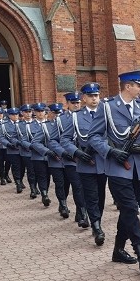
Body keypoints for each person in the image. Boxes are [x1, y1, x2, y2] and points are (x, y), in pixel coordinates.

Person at [88, 71, 140, 273]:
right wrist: (111, 151)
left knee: (127, 210)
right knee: (130, 208)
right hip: (117, 167)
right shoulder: (108, 107)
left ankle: (118, 250)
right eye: (139, 85)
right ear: (128, 86)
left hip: (137, 167)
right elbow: (93, 137)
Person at [61, 83, 107, 245]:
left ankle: (98, 220)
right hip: (85, 163)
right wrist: (76, 152)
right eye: (91, 96)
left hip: (102, 161)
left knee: (101, 196)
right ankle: (96, 227)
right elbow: (65, 139)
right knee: (91, 196)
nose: (94, 98)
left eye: (97, 95)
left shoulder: (106, 113)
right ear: (84, 98)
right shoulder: (76, 116)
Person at [57, 92, 89, 229]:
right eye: (73, 103)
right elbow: (54, 140)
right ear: (68, 104)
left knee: (85, 187)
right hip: (71, 159)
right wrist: (65, 153)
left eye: (78, 102)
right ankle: (82, 214)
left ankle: (80, 212)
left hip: (86, 158)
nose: (76, 105)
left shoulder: (86, 116)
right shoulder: (61, 119)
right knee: (77, 186)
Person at [32, 103, 69, 218]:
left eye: (60, 112)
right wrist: (47, 151)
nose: (58, 115)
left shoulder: (68, 124)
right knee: (59, 182)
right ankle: (62, 205)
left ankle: (64, 201)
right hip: (54, 160)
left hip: (69, 160)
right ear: (50, 113)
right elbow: (35, 142)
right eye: (55, 113)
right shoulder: (46, 126)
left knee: (67, 184)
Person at [28, 103, 52, 207]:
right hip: (37, 155)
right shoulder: (29, 126)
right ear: (35, 113)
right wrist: (33, 147)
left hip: (50, 155)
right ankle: (44, 194)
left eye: (42, 111)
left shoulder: (51, 124)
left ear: (45, 112)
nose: (40, 113)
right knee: (41, 175)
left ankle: (44, 190)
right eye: (38, 111)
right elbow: (26, 140)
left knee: (47, 176)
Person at [0, 107, 25, 193]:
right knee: (16, 166)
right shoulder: (4, 125)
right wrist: (8, 144)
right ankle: (17, 182)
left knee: (22, 167)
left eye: (17, 114)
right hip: (12, 150)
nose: (15, 116)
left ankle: (21, 179)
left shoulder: (23, 123)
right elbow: (1, 138)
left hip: (23, 149)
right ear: (9, 115)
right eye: (13, 115)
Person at [16, 104, 38, 198]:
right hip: (26, 151)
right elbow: (15, 138)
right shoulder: (19, 125)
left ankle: (36, 186)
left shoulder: (37, 124)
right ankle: (32, 188)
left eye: (29, 112)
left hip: (37, 152)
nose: (28, 114)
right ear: (22, 113)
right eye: (26, 112)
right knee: (31, 171)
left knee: (37, 171)